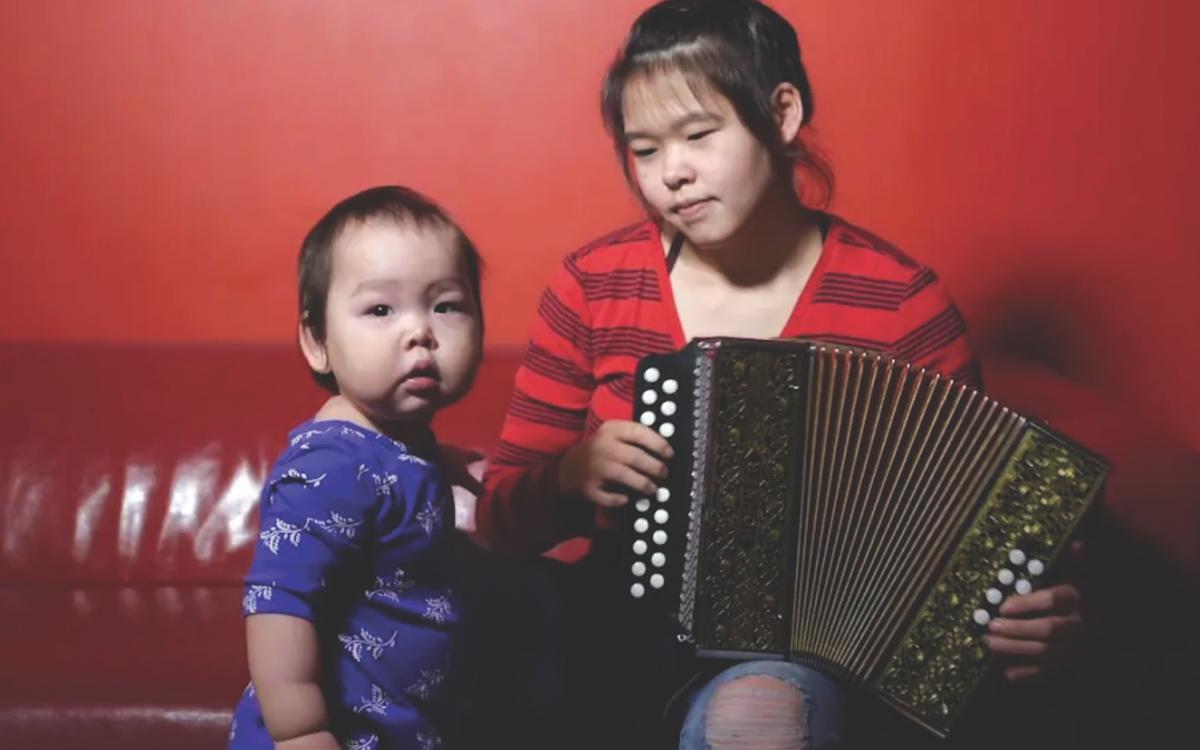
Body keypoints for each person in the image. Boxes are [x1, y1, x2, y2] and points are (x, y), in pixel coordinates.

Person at [469, 1, 1084, 748]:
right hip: (613, 641)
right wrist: (568, 476)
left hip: (799, 668)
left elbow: (967, 547)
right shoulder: (594, 284)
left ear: (782, 113)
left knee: (756, 714)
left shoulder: (901, 301)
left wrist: (1025, 615)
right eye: (645, 150)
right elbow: (498, 517)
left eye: (699, 135)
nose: (674, 175)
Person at [228, 185, 485, 750]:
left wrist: (442, 463)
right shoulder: (331, 466)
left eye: (446, 305)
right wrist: (302, 731)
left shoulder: (399, 444)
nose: (420, 331)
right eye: (380, 309)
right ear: (317, 342)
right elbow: (280, 602)